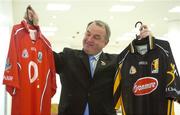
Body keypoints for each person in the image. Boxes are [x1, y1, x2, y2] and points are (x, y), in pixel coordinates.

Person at [28, 6, 150, 115]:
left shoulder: (116, 61)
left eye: (96, 37)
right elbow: (44, 55)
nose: (89, 39)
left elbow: (140, 66)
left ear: (105, 43)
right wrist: (33, 29)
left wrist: (145, 43)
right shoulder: (67, 56)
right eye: (88, 34)